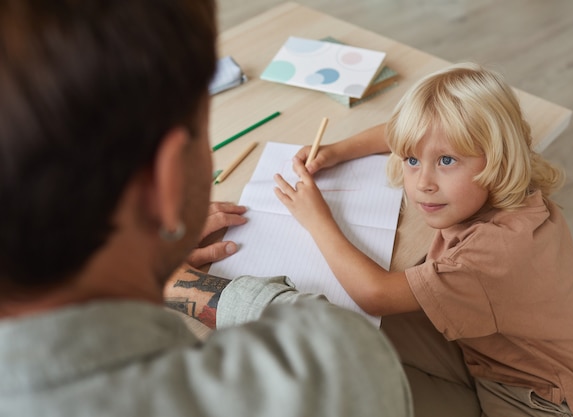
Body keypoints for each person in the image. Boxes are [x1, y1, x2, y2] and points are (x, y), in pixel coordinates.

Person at [0, 1, 413, 416]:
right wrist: (181, 285)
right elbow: (338, 348)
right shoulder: (324, 373)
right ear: (166, 181)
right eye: (203, 134)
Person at [274, 62, 573, 416]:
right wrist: (337, 151)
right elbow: (402, 132)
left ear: (498, 158)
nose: (422, 183)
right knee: (349, 335)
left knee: (353, 389)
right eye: (412, 160)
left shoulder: (494, 252)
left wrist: (316, 218)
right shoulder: (510, 169)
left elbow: (376, 294)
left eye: (446, 160)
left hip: (539, 399)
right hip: (492, 350)